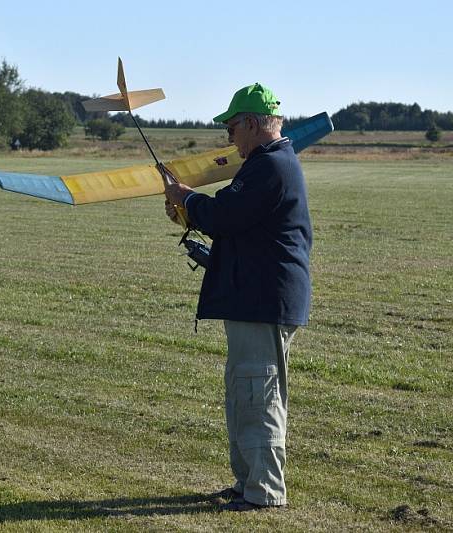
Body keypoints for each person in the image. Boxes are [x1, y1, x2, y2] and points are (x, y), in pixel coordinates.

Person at [163, 83, 312, 511]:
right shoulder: (267, 164)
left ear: (251, 123)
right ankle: (248, 483)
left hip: (263, 301)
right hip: (256, 297)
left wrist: (186, 197)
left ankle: (265, 492)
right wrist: (190, 207)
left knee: (257, 392)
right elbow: (233, 220)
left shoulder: (270, 166)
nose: (229, 136)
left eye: (231, 127)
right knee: (244, 392)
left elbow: (225, 215)